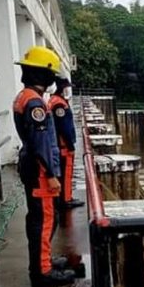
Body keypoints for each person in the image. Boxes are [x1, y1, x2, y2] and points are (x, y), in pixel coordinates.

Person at [13, 46, 75, 286]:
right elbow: (40, 142)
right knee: (45, 219)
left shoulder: (24, 96)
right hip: (40, 171)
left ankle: (43, 260)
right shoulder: (35, 103)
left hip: (32, 164)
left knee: (39, 218)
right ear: (43, 74)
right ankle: (43, 271)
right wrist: (50, 174)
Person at [48, 76, 84, 209]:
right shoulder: (59, 104)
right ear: (62, 88)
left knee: (61, 173)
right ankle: (65, 199)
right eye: (67, 88)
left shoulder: (53, 100)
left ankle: (61, 197)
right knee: (66, 173)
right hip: (63, 146)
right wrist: (70, 145)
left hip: (58, 144)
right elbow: (64, 128)